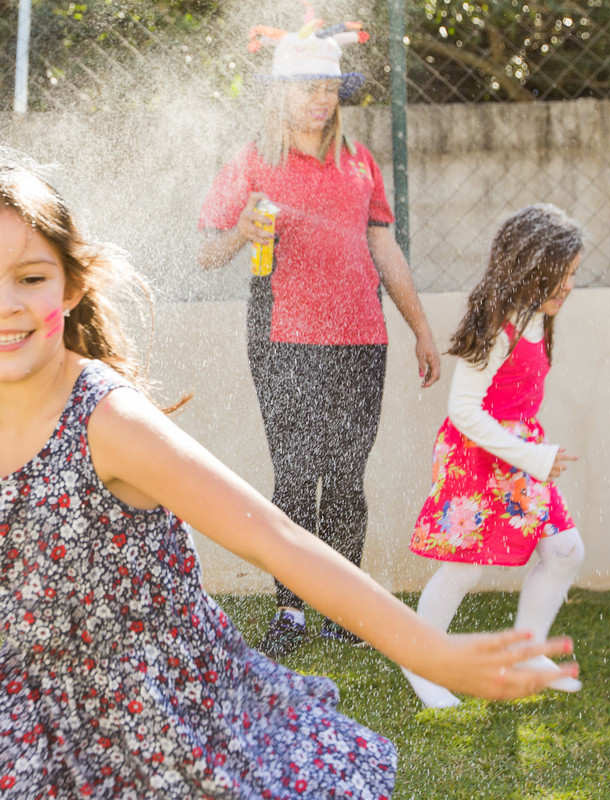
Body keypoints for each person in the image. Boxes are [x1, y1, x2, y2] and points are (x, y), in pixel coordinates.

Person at [0, 145, 578, 799]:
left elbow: (278, 541)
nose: (3, 304)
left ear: (71, 284)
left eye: (30, 277)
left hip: (174, 710)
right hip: (39, 730)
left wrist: (431, 652)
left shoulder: (109, 421)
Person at [198, 10, 441, 657]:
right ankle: (291, 610)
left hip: (362, 338)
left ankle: (340, 608)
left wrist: (420, 328)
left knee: (346, 476)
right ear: (280, 92)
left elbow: (384, 248)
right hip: (284, 338)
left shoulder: (359, 162)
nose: (320, 99)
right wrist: (241, 232)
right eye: (308, 87)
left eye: (329, 88)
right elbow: (207, 252)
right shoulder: (252, 162)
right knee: (296, 474)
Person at [401, 203, 587, 709]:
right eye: (562, 274)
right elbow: (463, 410)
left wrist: (530, 454)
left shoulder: (536, 317)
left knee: (564, 551)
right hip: (478, 456)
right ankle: (419, 659)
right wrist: (533, 457)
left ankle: (527, 652)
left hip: (518, 456)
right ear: (530, 267)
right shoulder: (499, 327)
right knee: (464, 569)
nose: (569, 285)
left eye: (573, 274)